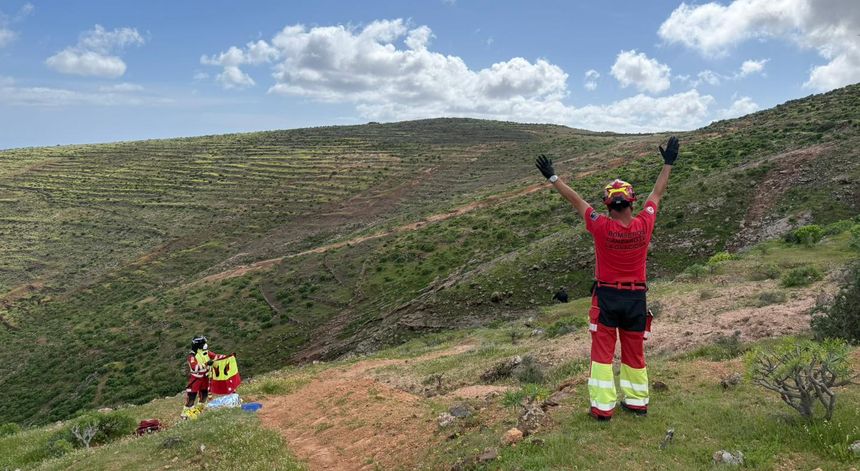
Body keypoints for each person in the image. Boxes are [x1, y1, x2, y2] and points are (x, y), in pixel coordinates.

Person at [535, 136, 679, 421]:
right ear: (631, 202)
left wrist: (553, 177)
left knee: (602, 354)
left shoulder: (600, 226)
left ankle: (603, 408)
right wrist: (668, 163)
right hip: (636, 298)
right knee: (634, 352)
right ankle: (637, 402)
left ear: (608, 204)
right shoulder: (644, 223)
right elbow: (657, 194)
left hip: (607, 297)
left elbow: (576, 200)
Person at [182, 335, 225, 419]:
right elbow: (195, 367)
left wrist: (226, 357)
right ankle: (185, 415)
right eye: (203, 343)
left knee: (204, 395)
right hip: (196, 379)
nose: (205, 345)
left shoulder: (206, 352)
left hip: (205, 378)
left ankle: (198, 411)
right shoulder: (191, 356)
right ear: (198, 345)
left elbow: (216, 357)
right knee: (191, 397)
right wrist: (206, 364)